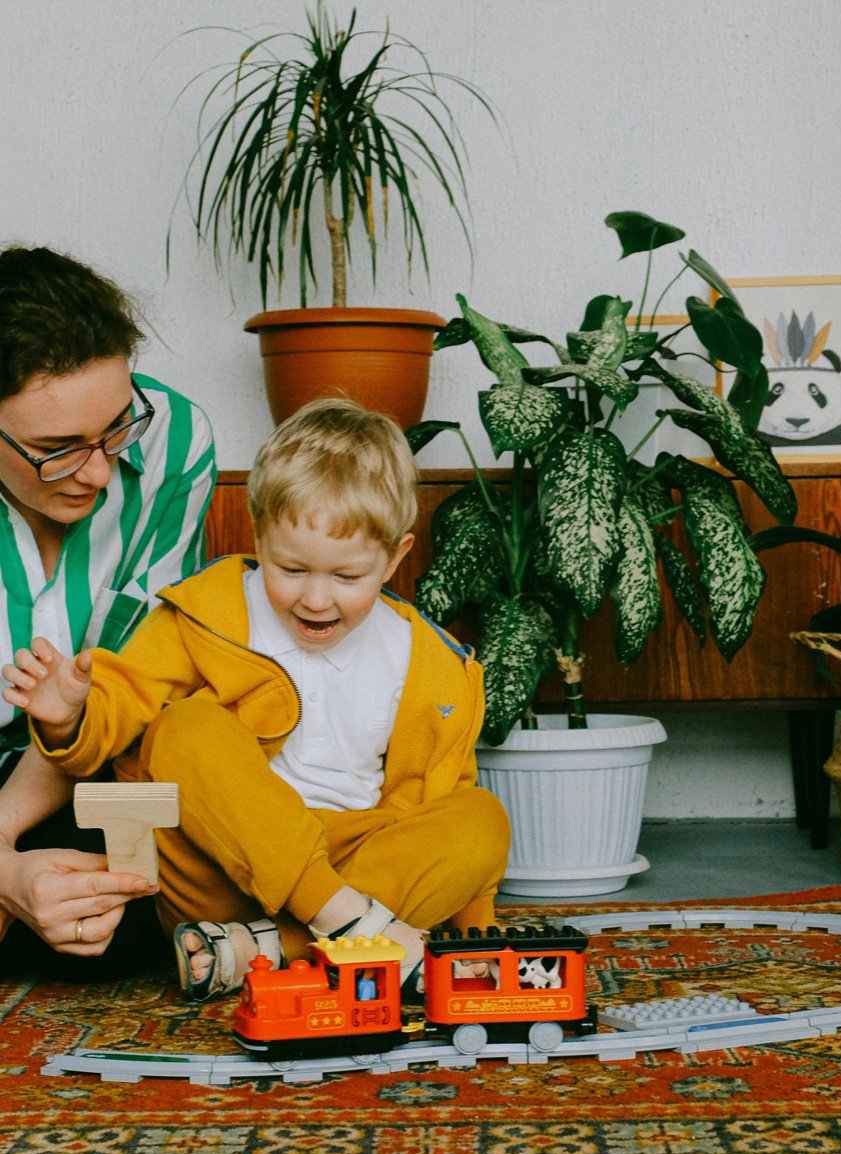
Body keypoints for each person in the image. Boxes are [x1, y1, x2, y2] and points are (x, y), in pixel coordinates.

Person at [3, 398, 509, 999]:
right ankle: (344, 925)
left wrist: (476, 940)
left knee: (481, 817)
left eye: (346, 577)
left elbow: (442, 794)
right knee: (185, 726)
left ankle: (266, 949)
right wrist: (69, 718)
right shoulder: (208, 610)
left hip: (359, 865)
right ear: (260, 536)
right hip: (219, 869)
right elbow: (124, 701)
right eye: (291, 569)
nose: (315, 599)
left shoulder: (433, 664)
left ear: (395, 558)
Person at [0, 245, 216, 977]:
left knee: (126, 910)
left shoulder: (174, 440)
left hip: (93, 758)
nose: (98, 471)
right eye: (56, 448)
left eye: (116, 426)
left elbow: (134, 691)